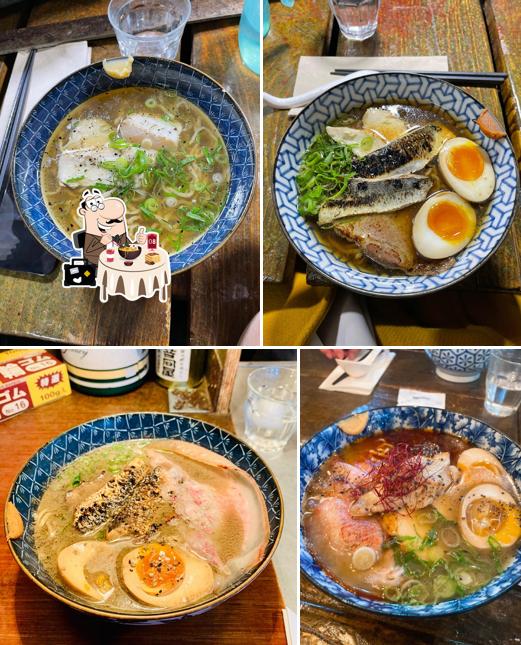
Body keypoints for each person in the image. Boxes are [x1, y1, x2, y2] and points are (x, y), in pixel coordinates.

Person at [76, 188, 146, 266]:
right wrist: (102, 243)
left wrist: (138, 243)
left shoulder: (120, 235)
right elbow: (88, 254)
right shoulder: (91, 236)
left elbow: (128, 249)